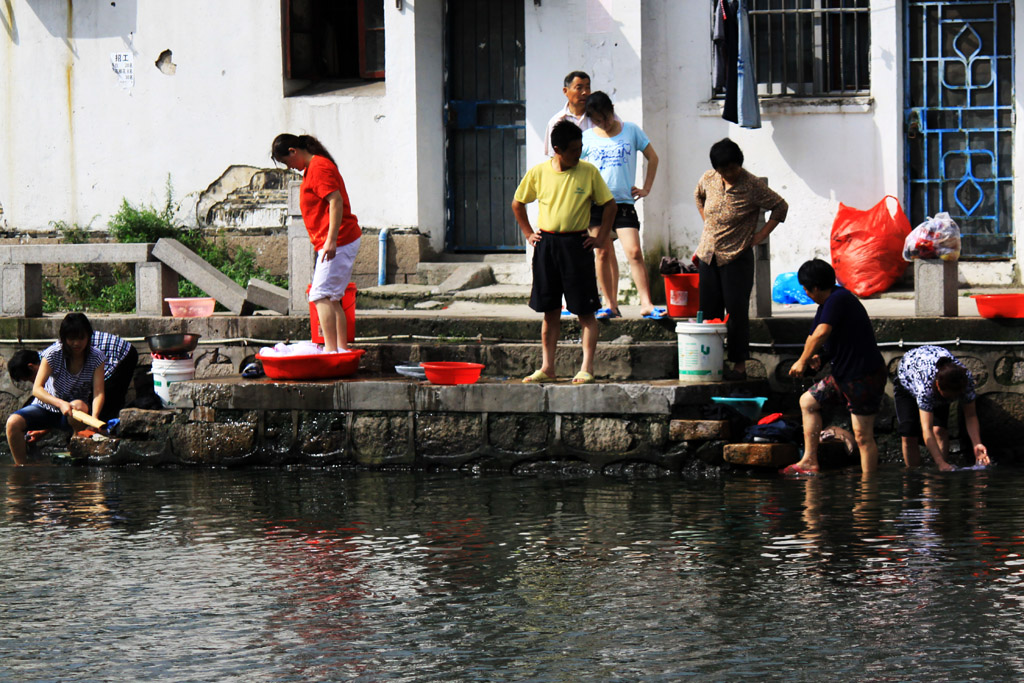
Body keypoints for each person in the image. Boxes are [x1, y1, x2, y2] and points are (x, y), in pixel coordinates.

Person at [511, 120, 615, 385]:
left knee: (586, 312)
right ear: (557, 149)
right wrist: (528, 233)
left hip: (576, 245)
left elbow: (610, 205)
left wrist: (600, 237)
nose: (578, 154)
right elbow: (518, 203)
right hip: (547, 245)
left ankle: (586, 368)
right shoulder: (539, 173)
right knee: (550, 310)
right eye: (573, 150)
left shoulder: (588, 172)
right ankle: (548, 367)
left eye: (580, 148)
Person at [694, 138, 788, 380]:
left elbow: (780, 206)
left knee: (736, 313)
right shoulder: (709, 178)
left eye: (732, 168)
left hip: (736, 257)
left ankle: (738, 366)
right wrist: (708, 224)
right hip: (708, 255)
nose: (729, 173)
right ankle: (711, 362)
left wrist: (760, 235)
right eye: (724, 169)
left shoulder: (752, 185)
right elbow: (698, 197)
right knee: (708, 312)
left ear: (740, 164)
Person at [784, 259, 887, 475]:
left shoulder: (839, 299)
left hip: (863, 376)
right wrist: (815, 356)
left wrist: (802, 361)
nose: (805, 292)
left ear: (813, 288)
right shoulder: (827, 304)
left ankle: (869, 490)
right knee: (808, 402)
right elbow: (814, 336)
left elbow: (822, 333)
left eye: (806, 288)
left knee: (862, 436)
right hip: (842, 376)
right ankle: (810, 460)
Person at [271, 133, 361, 352]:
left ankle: (330, 351)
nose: (290, 167)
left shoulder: (319, 167)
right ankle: (340, 349)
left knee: (319, 294)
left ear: (293, 151)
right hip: (336, 240)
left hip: (338, 240)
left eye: (287, 161)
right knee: (332, 297)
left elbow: (335, 201)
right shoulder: (314, 168)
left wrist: (330, 241)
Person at [581, 91, 662, 320]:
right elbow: (574, 167)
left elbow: (653, 158)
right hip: (596, 205)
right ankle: (610, 304)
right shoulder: (587, 137)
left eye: (605, 117)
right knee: (603, 254)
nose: (603, 123)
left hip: (624, 203)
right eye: (597, 120)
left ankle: (646, 303)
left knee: (634, 252)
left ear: (612, 109)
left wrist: (646, 188)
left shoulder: (631, 130)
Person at [5, 313, 106, 466]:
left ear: (88, 337)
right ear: (64, 338)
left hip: (74, 413)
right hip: (45, 408)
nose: (76, 343)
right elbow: (37, 389)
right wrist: (60, 404)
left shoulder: (96, 357)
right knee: (13, 422)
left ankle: (75, 447)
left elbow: (98, 392)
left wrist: (94, 419)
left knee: (78, 405)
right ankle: (22, 467)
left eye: (81, 338)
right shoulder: (53, 353)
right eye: (71, 339)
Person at [894, 345, 990, 471]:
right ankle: (913, 475)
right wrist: (939, 462)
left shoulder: (965, 381)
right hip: (907, 378)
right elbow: (926, 429)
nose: (952, 398)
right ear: (938, 386)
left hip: (938, 371)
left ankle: (941, 474)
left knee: (939, 430)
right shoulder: (926, 388)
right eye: (949, 396)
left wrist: (977, 444)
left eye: (955, 396)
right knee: (908, 434)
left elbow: (970, 415)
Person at [9, 329, 138, 422]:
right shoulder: (51, 356)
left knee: (104, 401)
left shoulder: (52, 359)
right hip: (112, 352)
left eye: (30, 378)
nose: (34, 382)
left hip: (120, 354)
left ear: (32, 366)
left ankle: (102, 434)